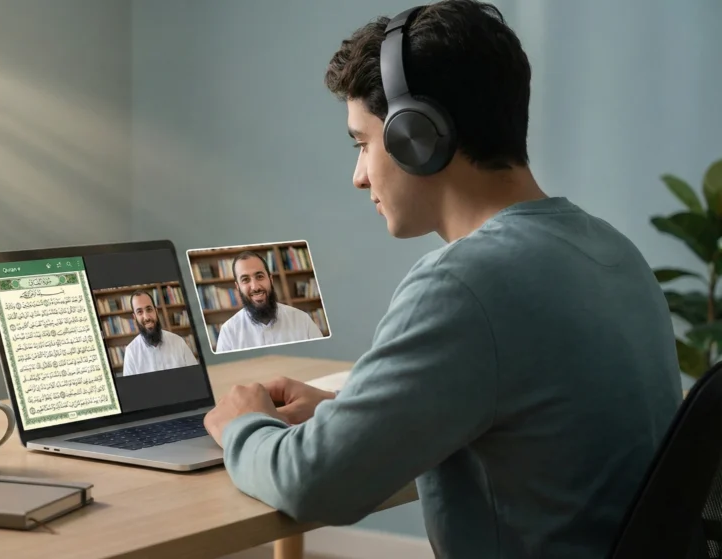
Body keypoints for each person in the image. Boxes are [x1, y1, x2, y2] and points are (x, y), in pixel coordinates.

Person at [202, 1, 682, 557]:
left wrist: (246, 425)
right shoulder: (611, 251)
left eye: (363, 143)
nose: (359, 177)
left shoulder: (465, 285)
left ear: (417, 136)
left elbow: (313, 486)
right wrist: (348, 413)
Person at [214, 251, 323, 352]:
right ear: (238, 287)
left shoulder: (302, 320)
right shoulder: (229, 332)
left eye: (260, 276)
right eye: (245, 280)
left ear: (270, 280)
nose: (255, 287)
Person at [122, 290, 198, 376]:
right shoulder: (131, 352)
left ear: (156, 311)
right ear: (135, 317)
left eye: (149, 309)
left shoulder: (178, 342)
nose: (146, 317)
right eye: (140, 312)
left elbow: (195, 376)